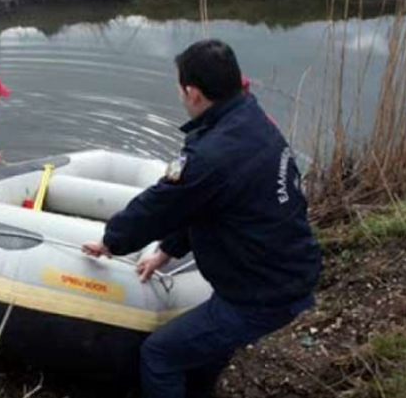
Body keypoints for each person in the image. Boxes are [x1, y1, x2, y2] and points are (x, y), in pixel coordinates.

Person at [82, 40, 321, 398]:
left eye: (179, 87)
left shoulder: (211, 156)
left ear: (192, 93)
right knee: (206, 350)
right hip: (287, 269)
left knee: (160, 355)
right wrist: (166, 251)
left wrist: (111, 241)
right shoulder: (252, 120)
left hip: (261, 293)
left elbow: (159, 205)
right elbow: (208, 203)